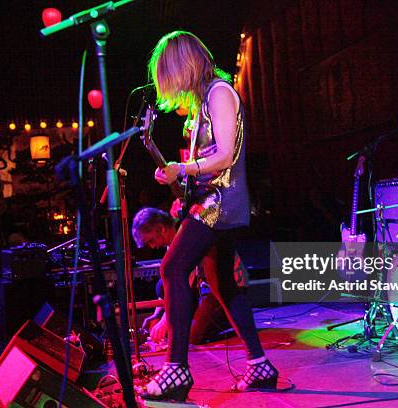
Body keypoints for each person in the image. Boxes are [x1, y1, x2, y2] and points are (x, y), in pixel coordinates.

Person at [141, 31, 277, 402]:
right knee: (223, 285)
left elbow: (225, 157)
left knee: (172, 268)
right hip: (208, 199)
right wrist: (182, 188)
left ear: (182, 67)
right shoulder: (202, 102)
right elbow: (206, 160)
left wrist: (182, 169)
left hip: (222, 201)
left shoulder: (219, 93)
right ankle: (260, 364)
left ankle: (177, 368)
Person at [132, 207, 245, 346]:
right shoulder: (173, 238)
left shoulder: (186, 234)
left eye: (151, 241)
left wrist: (165, 321)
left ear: (161, 229)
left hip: (229, 286)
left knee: (193, 336)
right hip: (209, 285)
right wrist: (157, 313)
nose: (152, 247)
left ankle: (231, 319)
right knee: (162, 286)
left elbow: (182, 282)